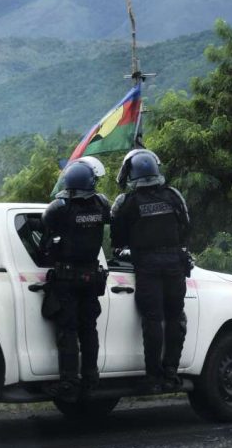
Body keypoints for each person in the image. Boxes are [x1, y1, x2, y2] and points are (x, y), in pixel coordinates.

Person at [110, 149, 192, 391]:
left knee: (153, 319)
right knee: (175, 318)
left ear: (130, 173)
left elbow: (117, 240)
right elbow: (186, 227)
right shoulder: (173, 195)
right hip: (175, 264)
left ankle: (153, 376)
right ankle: (171, 373)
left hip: (146, 266)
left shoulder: (126, 202)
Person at [39, 157, 111, 397]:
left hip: (67, 279)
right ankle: (91, 376)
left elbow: (46, 231)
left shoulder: (59, 207)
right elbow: (113, 218)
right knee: (89, 329)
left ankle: (69, 380)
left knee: (68, 330)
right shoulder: (101, 204)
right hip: (91, 277)